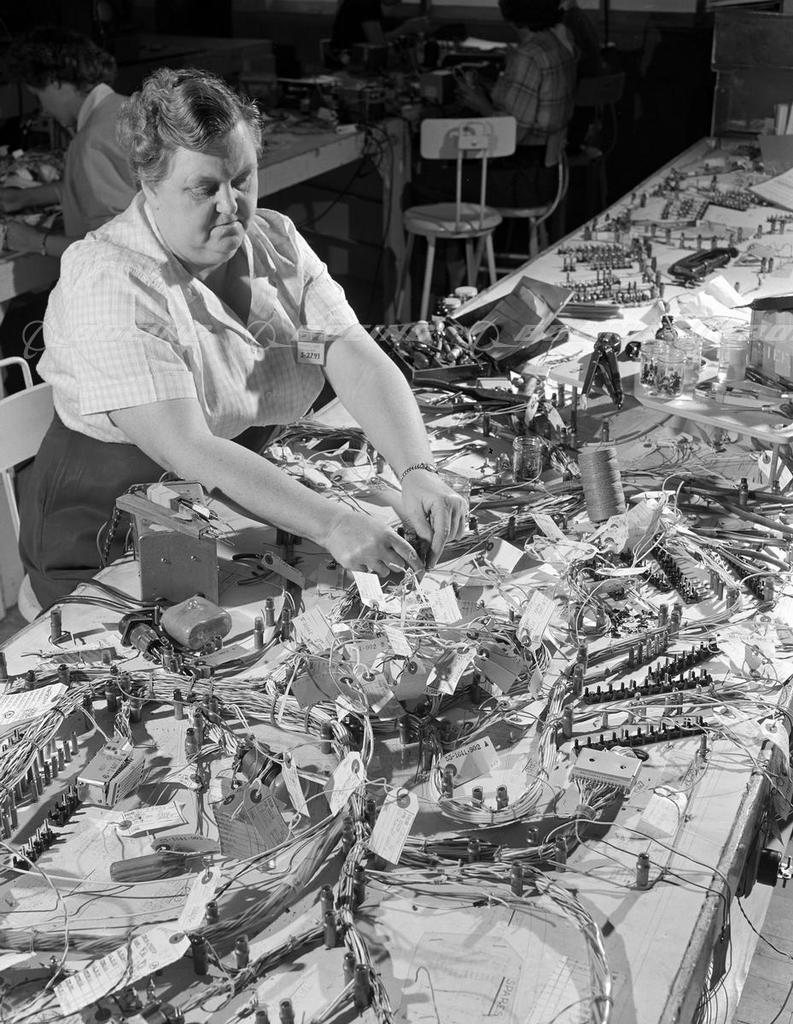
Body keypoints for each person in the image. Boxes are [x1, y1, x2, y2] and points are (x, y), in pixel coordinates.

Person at [19, 67, 468, 608]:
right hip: (108, 538)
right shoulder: (111, 281)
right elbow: (190, 448)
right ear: (149, 185)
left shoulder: (274, 241)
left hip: (232, 506)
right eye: (204, 188)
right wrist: (331, 523)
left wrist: (417, 470)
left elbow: (343, 351)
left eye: (243, 179)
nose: (231, 206)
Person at [0, 27, 137, 258]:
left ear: (54, 82)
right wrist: (24, 197)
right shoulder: (128, 107)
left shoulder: (91, 142)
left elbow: (114, 249)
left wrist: (35, 241)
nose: (43, 109)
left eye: (38, 96)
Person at [453, 0, 577, 207]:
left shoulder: (528, 55)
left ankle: (479, 228)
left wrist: (480, 104)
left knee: (428, 182)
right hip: (552, 173)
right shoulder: (558, 45)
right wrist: (490, 89)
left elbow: (512, 134)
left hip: (523, 179)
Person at [330, 0, 430, 55]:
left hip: (356, 58)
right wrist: (406, 28)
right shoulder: (365, 3)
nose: (399, 1)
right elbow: (378, 44)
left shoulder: (374, 5)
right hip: (347, 63)